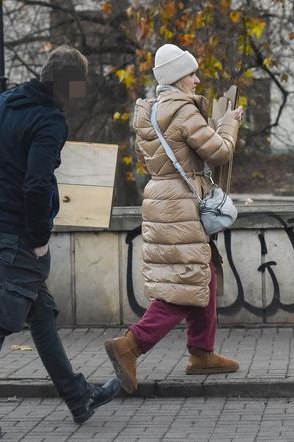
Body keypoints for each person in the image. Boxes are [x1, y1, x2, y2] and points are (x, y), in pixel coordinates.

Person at [0, 46, 120, 439]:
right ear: (68, 84)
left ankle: (77, 396)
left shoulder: (3, 103)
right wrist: (38, 239)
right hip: (19, 234)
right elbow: (35, 185)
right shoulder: (49, 120)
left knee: (41, 315)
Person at [104, 43, 243, 394]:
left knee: (201, 274)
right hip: (181, 204)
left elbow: (154, 159)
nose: (197, 80)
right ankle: (130, 346)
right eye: (192, 74)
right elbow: (220, 152)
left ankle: (202, 352)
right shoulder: (183, 111)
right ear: (179, 78)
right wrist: (228, 124)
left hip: (161, 197)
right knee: (182, 286)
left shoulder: (150, 113)